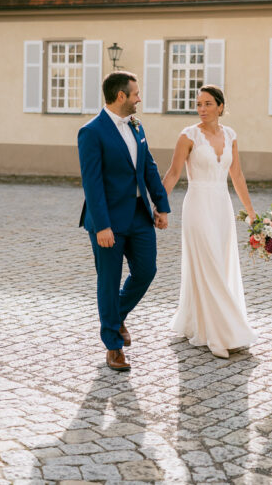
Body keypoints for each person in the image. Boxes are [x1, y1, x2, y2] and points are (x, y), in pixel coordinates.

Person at [78, 71, 171, 371]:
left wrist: (161, 205)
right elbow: (91, 183)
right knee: (109, 280)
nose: (139, 99)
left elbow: (148, 166)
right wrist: (102, 225)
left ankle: (115, 317)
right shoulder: (91, 132)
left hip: (138, 214)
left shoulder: (136, 125)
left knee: (146, 270)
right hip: (107, 220)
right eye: (135, 94)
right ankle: (113, 346)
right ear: (121, 96)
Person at [162, 85, 258, 358]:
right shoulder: (188, 136)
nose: (201, 109)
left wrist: (252, 213)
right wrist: (157, 205)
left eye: (207, 104)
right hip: (198, 205)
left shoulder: (230, 135)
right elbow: (173, 173)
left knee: (221, 262)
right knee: (209, 265)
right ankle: (221, 333)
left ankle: (201, 323)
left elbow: (237, 176)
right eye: (198, 104)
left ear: (220, 106)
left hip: (221, 205)